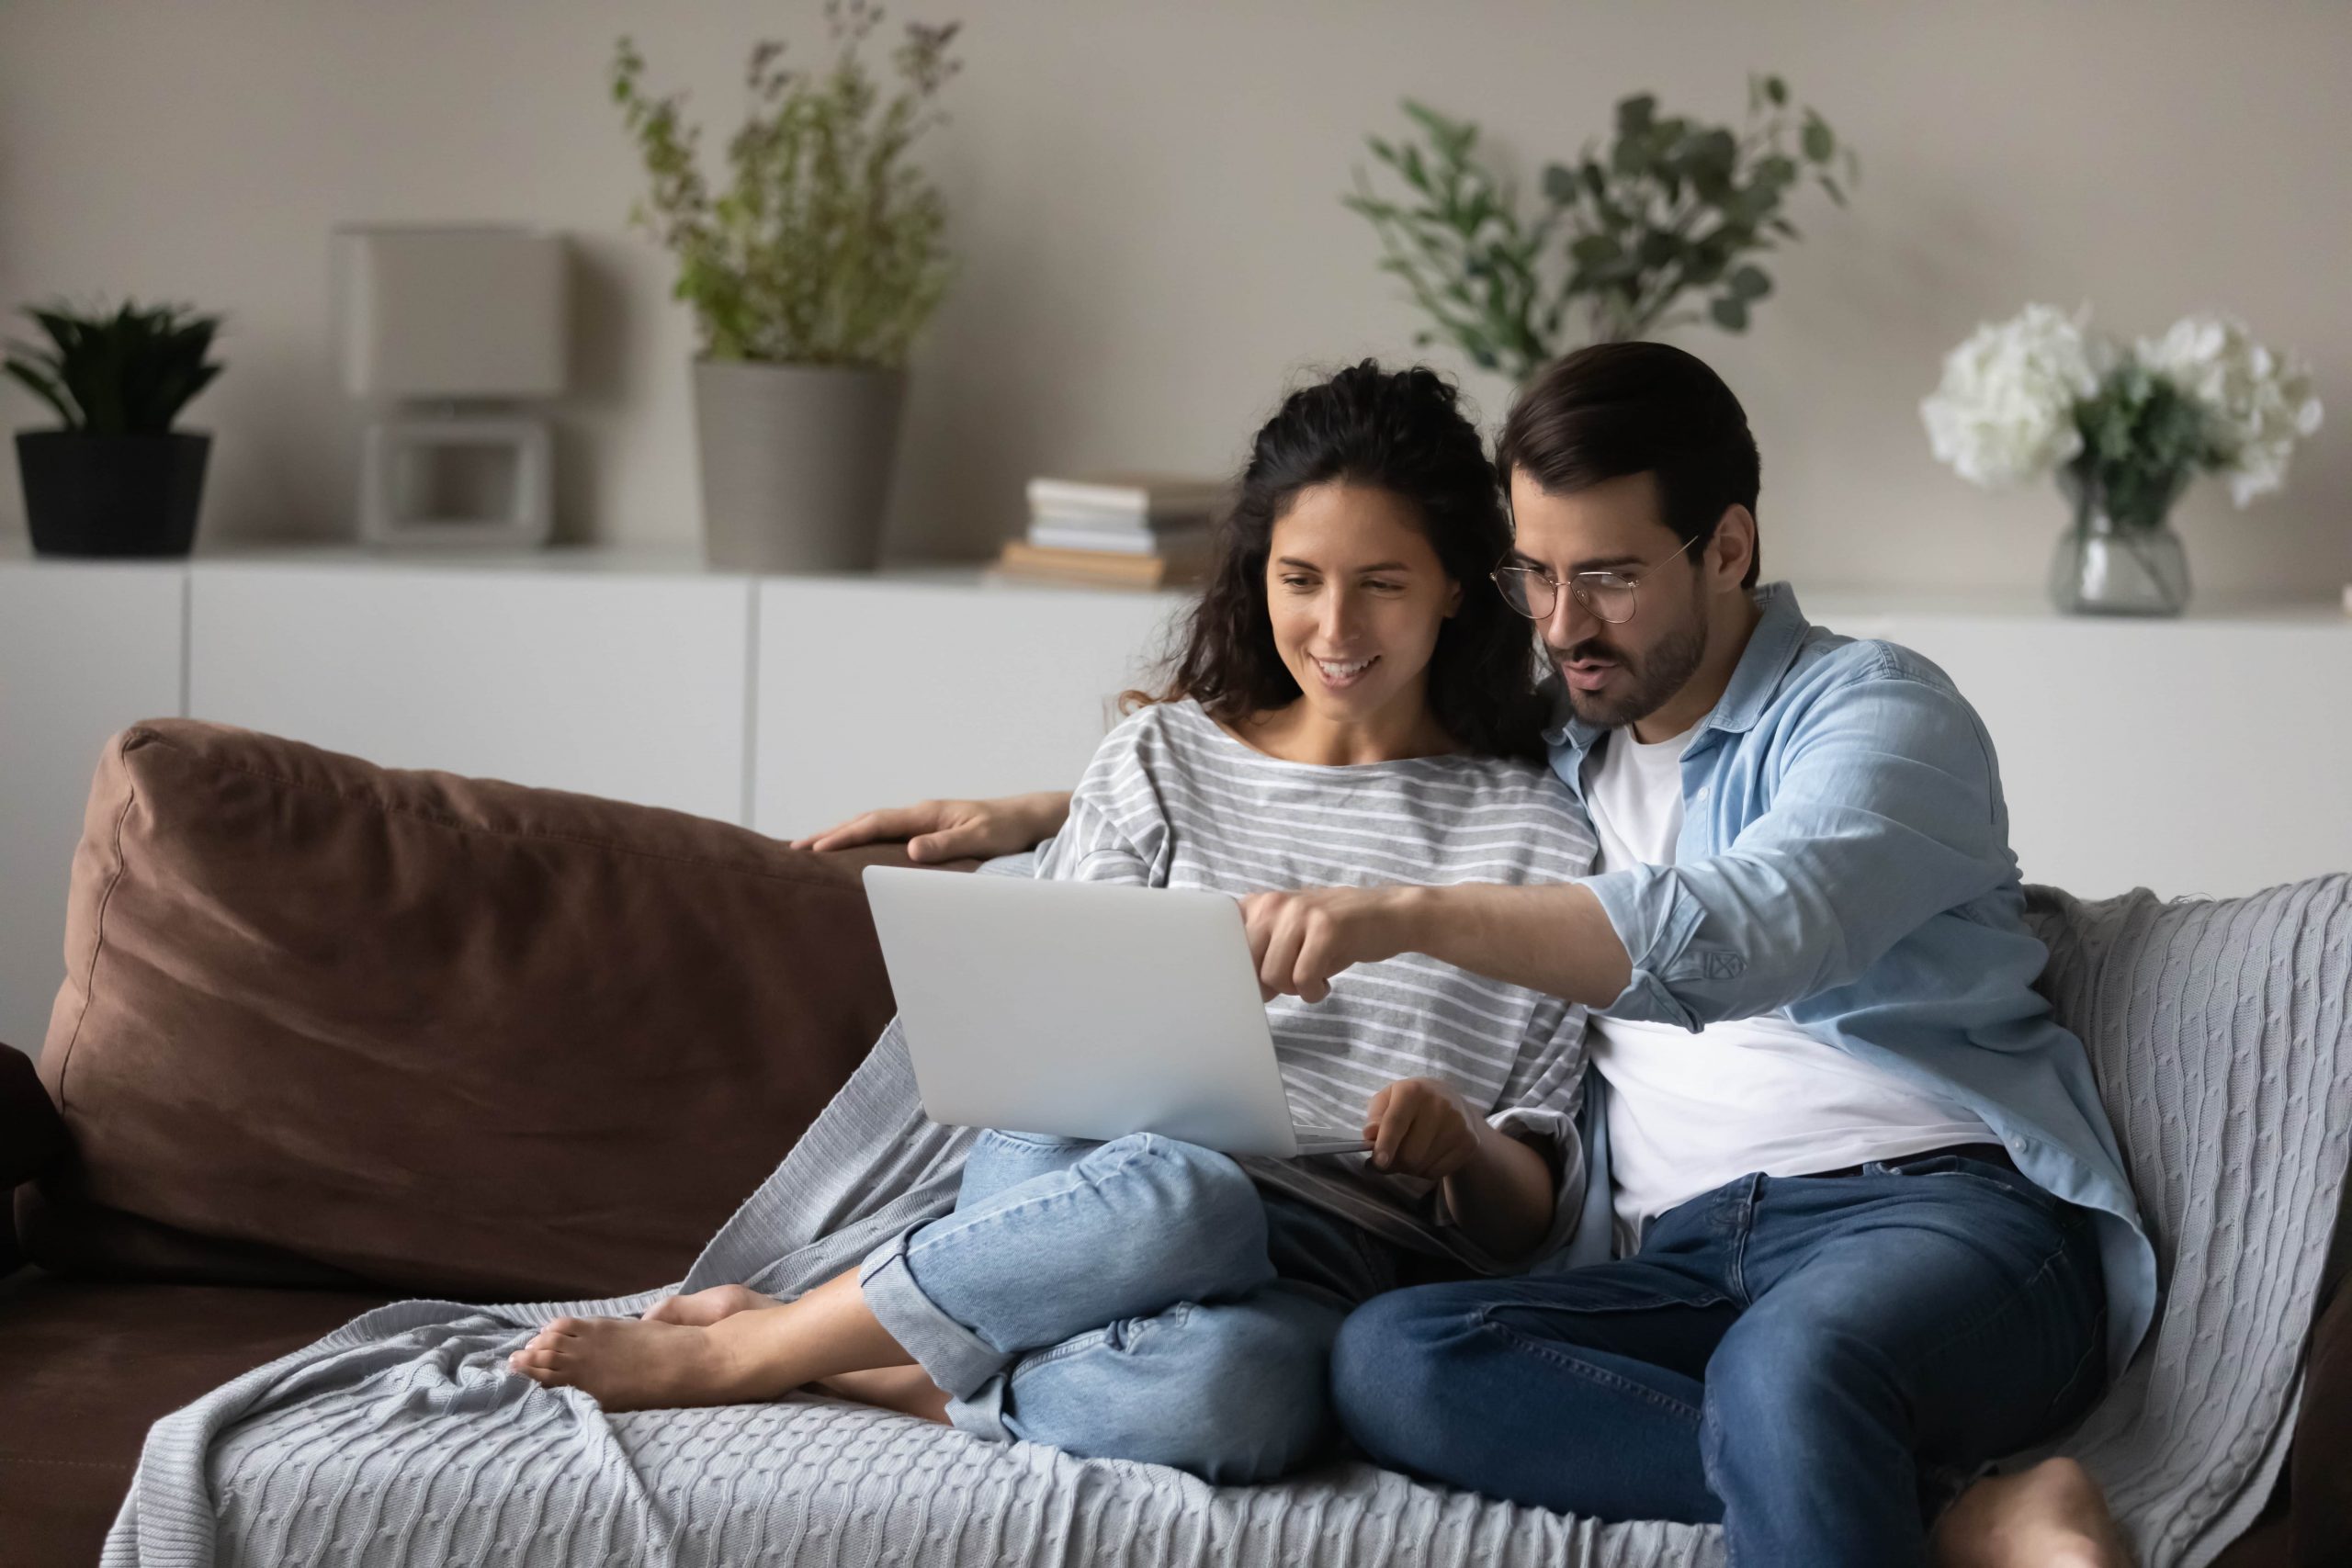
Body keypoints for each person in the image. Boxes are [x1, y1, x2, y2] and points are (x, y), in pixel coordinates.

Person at [796, 343, 2154, 1568]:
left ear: (1729, 546)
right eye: (1538, 575)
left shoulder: (1877, 713)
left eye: (1610, 575)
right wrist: (1044, 813)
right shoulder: (1571, 748)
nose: (1563, 625)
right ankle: (1958, 1515)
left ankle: (815, 1339)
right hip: (1683, 1250)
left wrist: (1399, 909)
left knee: (1790, 1369)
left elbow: (1736, 932)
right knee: (1396, 1364)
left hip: (1928, 1214)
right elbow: (1353, 766)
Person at [507, 361, 1600, 1485]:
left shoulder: (1537, 839)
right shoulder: (1161, 761)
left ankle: (862, 1365)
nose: (1333, 625)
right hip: (1092, 1181)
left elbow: (1528, 1220)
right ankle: (752, 1350)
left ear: (1458, 586)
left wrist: (1461, 1143)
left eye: (1381, 582)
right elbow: (1045, 1063)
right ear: (1255, 573)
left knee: (1236, 1394)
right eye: (1299, 578)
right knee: (1190, 1195)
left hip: (1328, 1254)